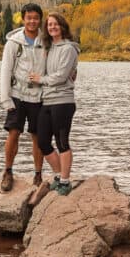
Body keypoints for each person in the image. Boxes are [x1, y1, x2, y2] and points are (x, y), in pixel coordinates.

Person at [28, 12, 79, 196]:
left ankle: (65, 181)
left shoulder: (69, 48)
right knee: (42, 141)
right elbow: (18, 34)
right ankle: (58, 174)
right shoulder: (48, 47)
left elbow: (62, 76)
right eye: (49, 25)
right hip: (47, 101)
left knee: (62, 142)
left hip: (63, 101)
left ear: (62, 26)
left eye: (56, 24)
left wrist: (41, 79)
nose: (52, 27)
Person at [0, 3, 46, 192]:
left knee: (38, 135)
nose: (32, 21)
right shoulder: (13, 43)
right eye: (29, 17)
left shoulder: (46, 41)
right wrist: (5, 98)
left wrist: (72, 71)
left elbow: (63, 56)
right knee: (14, 132)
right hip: (17, 94)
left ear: (40, 19)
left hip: (39, 95)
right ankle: (8, 172)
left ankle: (38, 174)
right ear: (23, 19)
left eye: (35, 17)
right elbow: (5, 71)